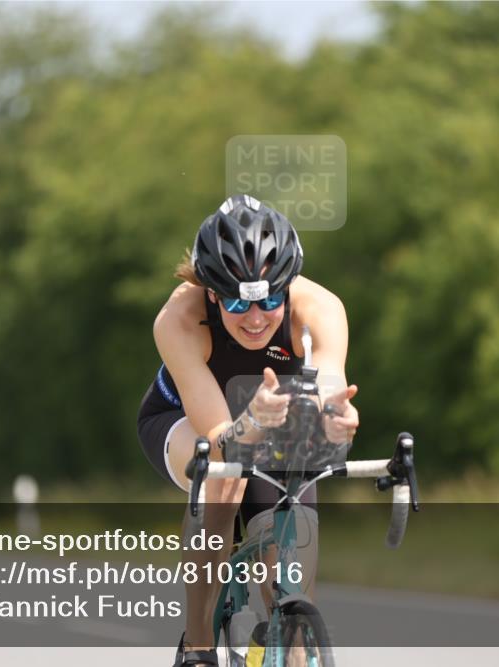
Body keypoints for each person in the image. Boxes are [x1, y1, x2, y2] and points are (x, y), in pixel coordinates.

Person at [137, 194, 359, 666]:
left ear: (288, 286)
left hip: (273, 419)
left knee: (290, 565)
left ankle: (286, 635)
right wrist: (250, 420)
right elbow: (220, 436)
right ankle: (198, 645)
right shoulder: (179, 319)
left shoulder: (320, 308)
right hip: (184, 422)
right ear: (212, 292)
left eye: (270, 300)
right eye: (238, 301)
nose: (255, 320)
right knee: (225, 475)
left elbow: (330, 381)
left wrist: (335, 416)